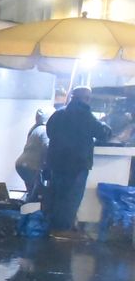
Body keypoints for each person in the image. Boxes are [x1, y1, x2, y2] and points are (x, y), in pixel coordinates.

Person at [44, 87, 111, 239]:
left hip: (56, 162)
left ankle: (53, 227)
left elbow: (49, 132)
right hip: (77, 164)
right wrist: (106, 125)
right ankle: (63, 229)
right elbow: (102, 133)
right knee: (71, 197)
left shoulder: (58, 114)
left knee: (57, 195)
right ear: (86, 99)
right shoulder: (86, 115)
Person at [14, 110, 48, 202]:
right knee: (37, 195)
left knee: (32, 192)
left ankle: (26, 211)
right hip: (32, 166)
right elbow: (47, 147)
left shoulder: (34, 129)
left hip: (23, 164)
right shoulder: (45, 130)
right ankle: (30, 212)